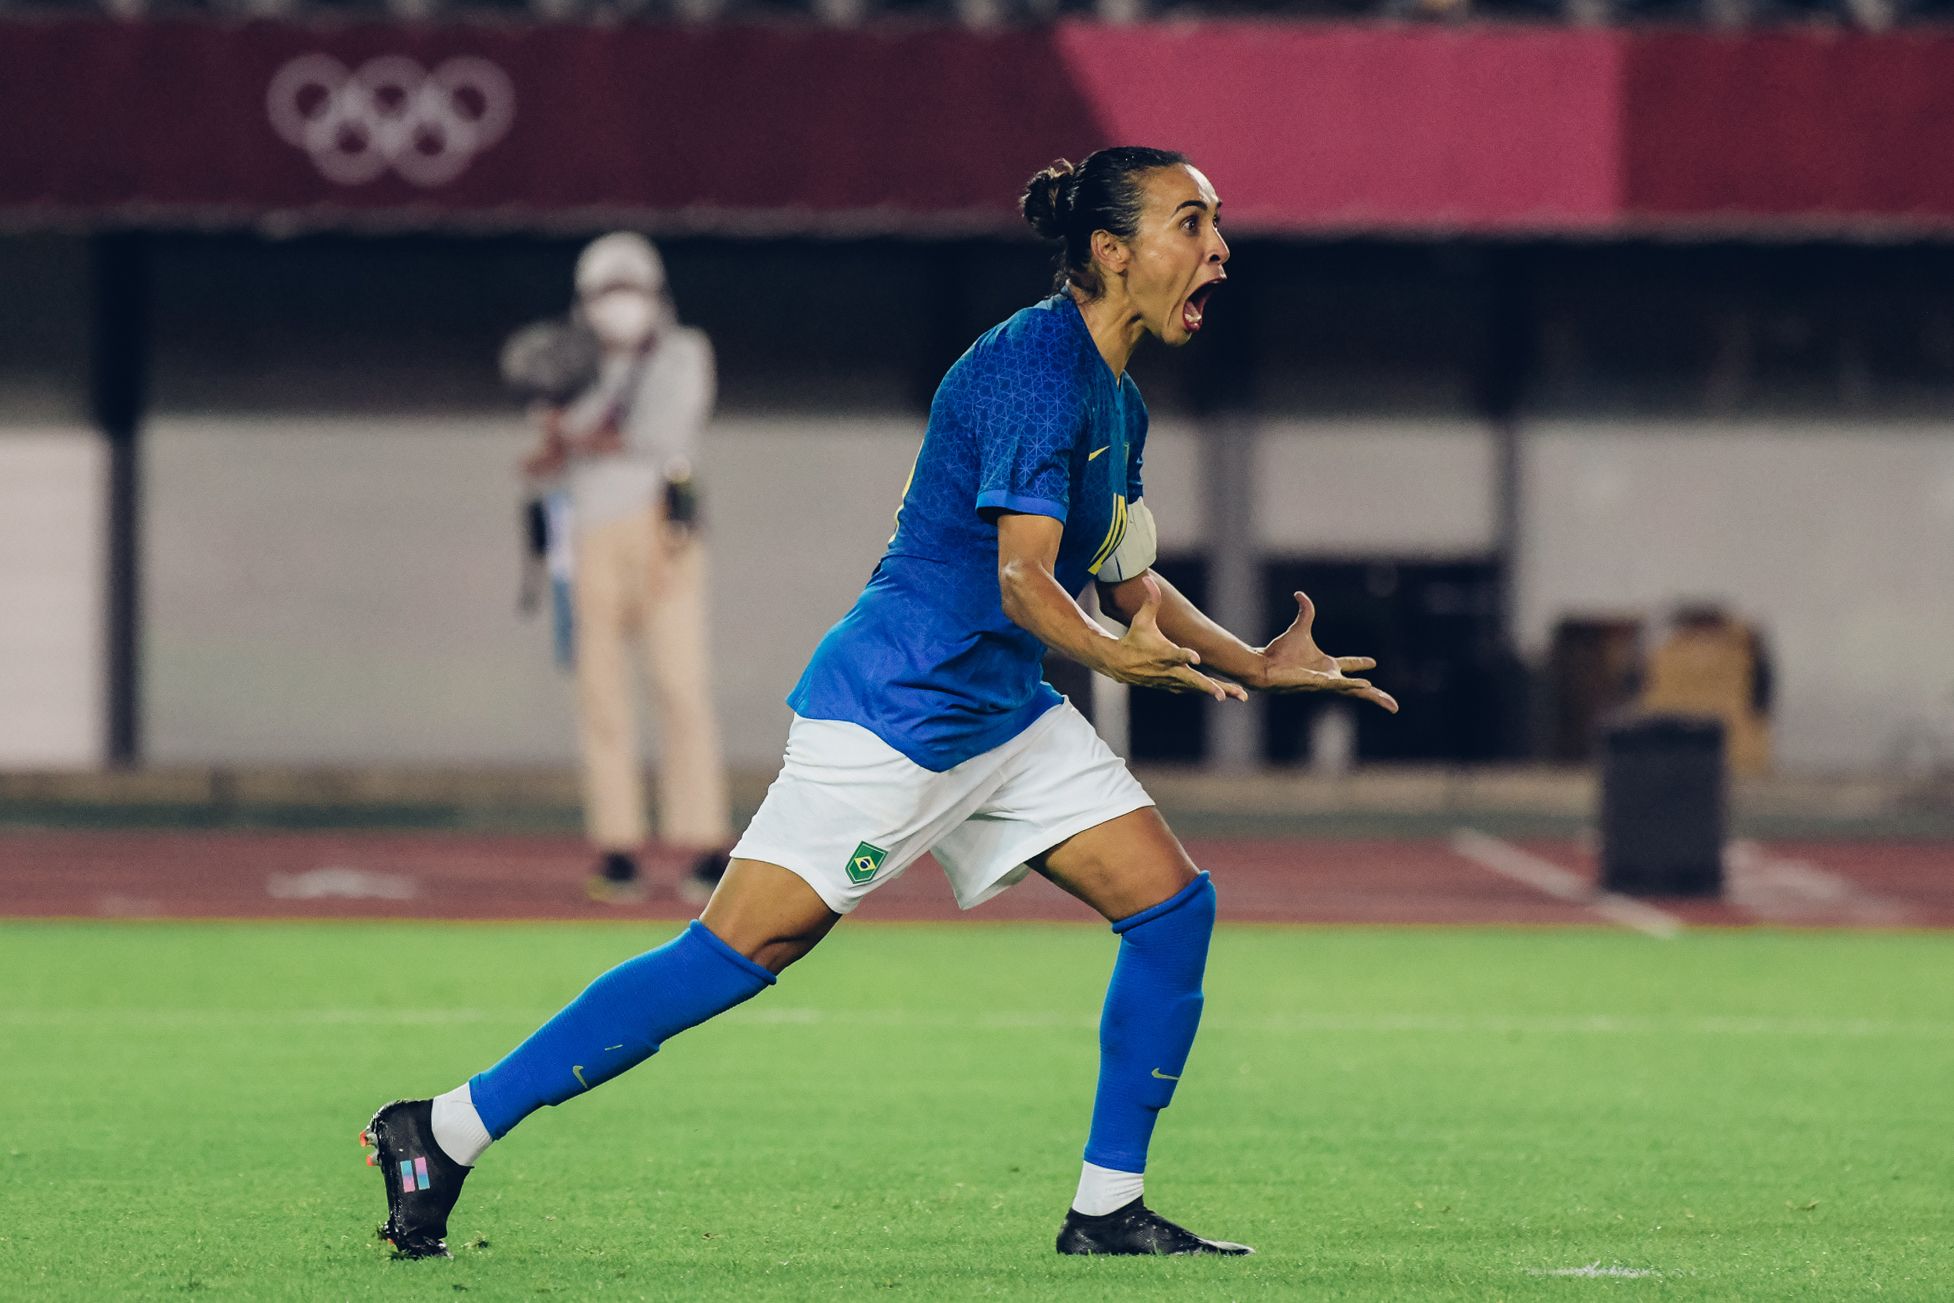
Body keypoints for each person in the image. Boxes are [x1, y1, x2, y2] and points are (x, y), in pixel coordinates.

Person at [363, 147, 1397, 1261]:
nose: (1219, 249)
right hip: (897, 710)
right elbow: (1023, 579)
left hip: (1003, 712)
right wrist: (1112, 656)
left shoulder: (1118, 399)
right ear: (1111, 251)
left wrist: (1253, 663)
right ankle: (444, 1129)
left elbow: (1124, 575)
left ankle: (1106, 1207)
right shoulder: (1031, 368)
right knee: (735, 952)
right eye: (1191, 223)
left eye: (1215, 223)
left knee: (1172, 909)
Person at [519, 232, 734, 905]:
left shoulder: (682, 351)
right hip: (588, 531)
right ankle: (617, 847)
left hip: (663, 530)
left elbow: (658, 430)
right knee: (601, 691)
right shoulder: (569, 358)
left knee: (680, 683)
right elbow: (552, 439)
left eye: (630, 289)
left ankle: (704, 841)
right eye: (606, 291)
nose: (620, 304)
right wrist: (564, 435)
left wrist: (573, 431)